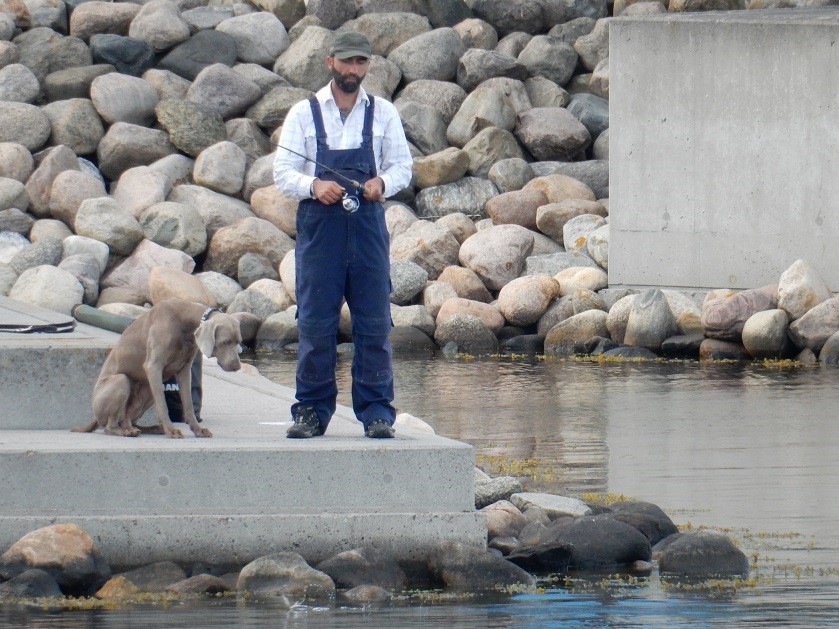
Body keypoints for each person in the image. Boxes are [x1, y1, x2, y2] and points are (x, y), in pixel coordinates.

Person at [273, 31, 412, 439]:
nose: (354, 70)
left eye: (361, 63)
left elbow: (402, 168)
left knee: (373, 324)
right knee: (316, 323)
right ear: (330, 61)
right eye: (347, 62)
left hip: (367, 229)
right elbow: (282, 173)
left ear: (367, 66)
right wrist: (314, 187)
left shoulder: (384, 112)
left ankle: (376, 413)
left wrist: (381, 184)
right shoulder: (303, 113)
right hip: (320, 233)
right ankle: (311, 412)